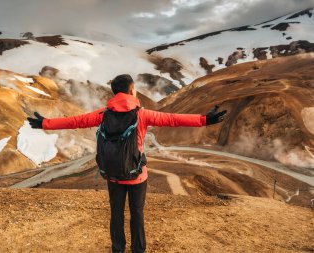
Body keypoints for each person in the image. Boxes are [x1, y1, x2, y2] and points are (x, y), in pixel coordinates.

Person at [27, 74, 226, 253]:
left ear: (114, 92)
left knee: (116, 213)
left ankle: (118, 248)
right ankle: (138, 249)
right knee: (137, 213)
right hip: (137, 174)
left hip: (113, 174)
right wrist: (204, 120)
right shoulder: (142, 114)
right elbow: (173, 119)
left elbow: (75, 121)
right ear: (132, 90)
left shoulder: (103, 114)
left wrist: (45, 123)